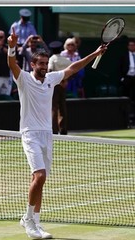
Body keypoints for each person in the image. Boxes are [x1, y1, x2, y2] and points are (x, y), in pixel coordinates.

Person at [7, 28, 106, 239]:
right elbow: (12, 64)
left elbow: (73, 67)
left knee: (39, 180)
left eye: (45, 63)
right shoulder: (23, 79)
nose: (43, 67)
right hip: (30, 133)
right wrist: (11, 46)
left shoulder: (52, 78)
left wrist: (95, 54)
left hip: (47, 134)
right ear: (32, 65)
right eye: (39, 64)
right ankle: (27, 220)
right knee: (40, 176)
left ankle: (36, 222)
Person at [48, 41, 72, 135]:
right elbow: (73, 70)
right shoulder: (66, 59)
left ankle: (54, 130)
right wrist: (66, 80)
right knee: (62, 107)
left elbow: (49, 70)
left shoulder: (52, 59)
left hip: (55, 85)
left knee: (54, 107)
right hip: (63, 85)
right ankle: (63, 129)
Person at [119, 38, 135, 120]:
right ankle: (126, 116)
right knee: (126, 97)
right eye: (130, 45)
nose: (132, 47)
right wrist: (122, 78)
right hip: (127, 78)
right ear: (128, 46)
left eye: (133, 45)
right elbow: (120, 68)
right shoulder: (124, 56)